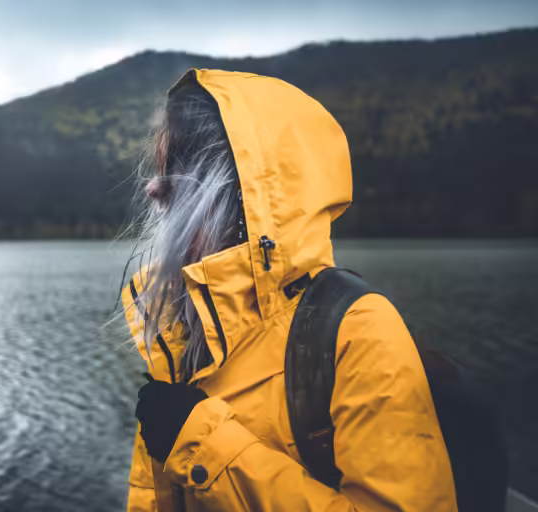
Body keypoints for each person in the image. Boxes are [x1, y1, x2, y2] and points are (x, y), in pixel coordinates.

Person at [117, 68, 458, 511]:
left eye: (180, 168)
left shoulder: (358, 330)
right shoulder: (180, 334)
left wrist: (204, 445)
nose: (152, 189)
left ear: (244, 197)